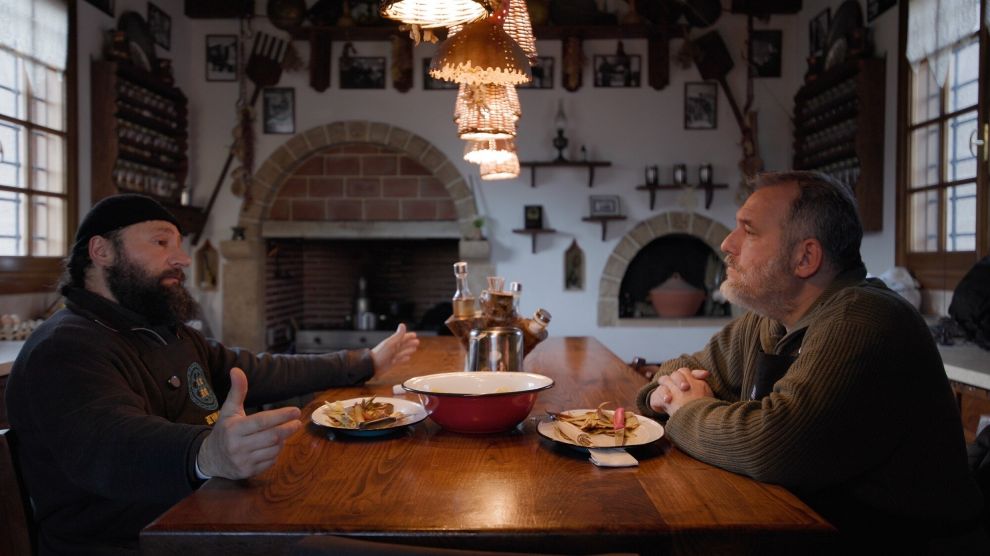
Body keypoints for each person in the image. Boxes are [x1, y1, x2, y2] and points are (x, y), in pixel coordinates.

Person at [5, 194, 420, 555]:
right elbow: (112, 443)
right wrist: (207, 453)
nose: (182, 258)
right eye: (161, 242)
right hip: (131, 544)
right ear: (101, 251)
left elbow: (256, 369)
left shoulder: (167, 332)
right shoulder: (64, 346)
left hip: (206, 514)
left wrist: (362, 362)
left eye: (179, 244)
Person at [635, 171, 985, 551]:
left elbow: (771, 445)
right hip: (809, 527)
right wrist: (661, 395)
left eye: (749, 231)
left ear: (805, 257)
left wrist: (686, 409)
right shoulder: (772, 317)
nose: (727, 243)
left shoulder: (862, 320)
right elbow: (681, 368)